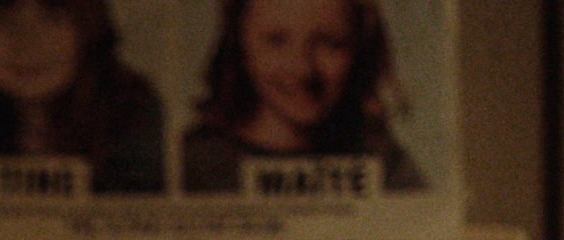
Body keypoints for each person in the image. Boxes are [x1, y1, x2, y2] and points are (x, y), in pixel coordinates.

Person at [181, 0, 426, 194]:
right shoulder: (191, 165)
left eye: (330, 43)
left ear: (361, 49)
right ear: (239, 43)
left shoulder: (385, 163)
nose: (302, 69)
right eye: (276, 41)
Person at [0, 0, 164, 197]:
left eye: (51, 21)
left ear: (88, 31)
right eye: (4, 22)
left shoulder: (131, 121)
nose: (26, 44)